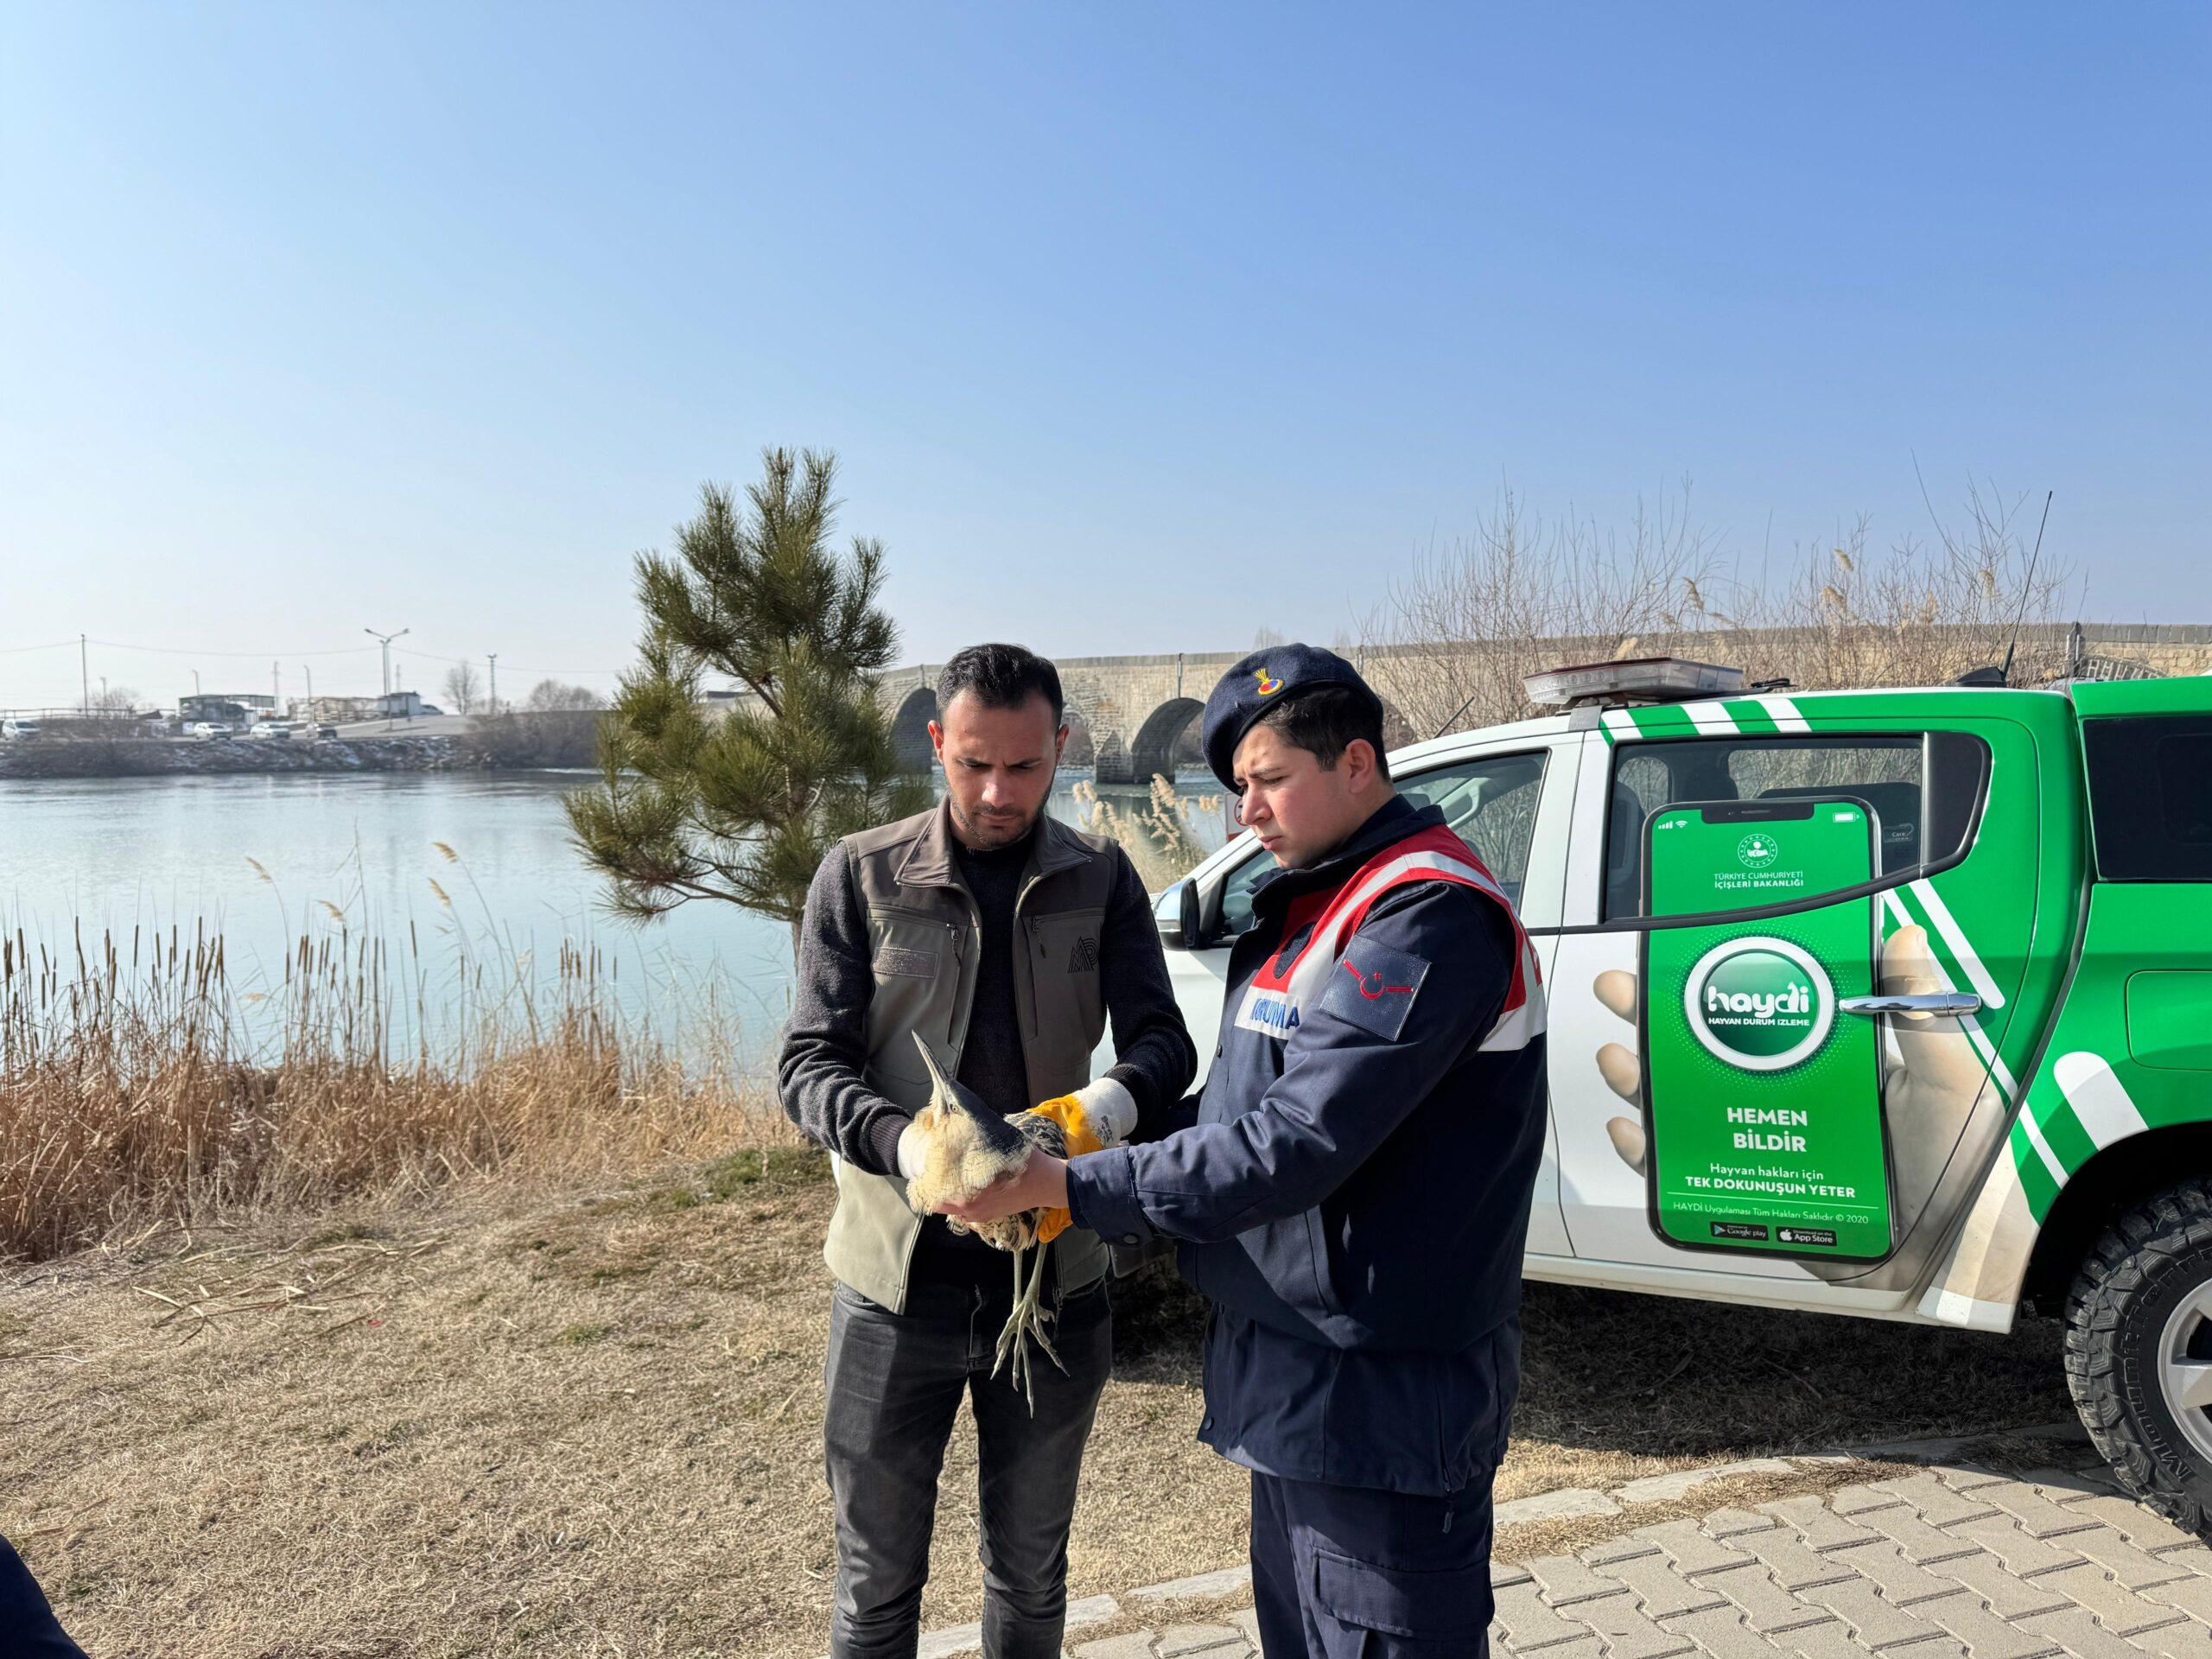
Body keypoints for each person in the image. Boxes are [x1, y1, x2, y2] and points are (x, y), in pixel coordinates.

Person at [938, 644, 1547, 1658]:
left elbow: (1296, 1145)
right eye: (1235, 789)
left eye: (1268, 781)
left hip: (1386, 1385)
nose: (1246, 814)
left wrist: (1073, 1189)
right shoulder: (1317, 898)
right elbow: (1239, 1107)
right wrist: (1098, 1126)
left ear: (1357, 765)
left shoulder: (1422, 914)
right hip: (1299, 1370)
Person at [779, 642, 1198, 1659]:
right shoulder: (860, 874)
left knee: (1030, 1573)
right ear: (937, 744)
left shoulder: (1102, 877)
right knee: (875, 1587)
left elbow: (1163, 1045)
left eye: (1023, 766)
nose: (998, 791)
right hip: (893, 1289)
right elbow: (806, 1065)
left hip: (1056, 1279)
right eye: (973, 764)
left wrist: (1094, 1111)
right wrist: (907, 1144)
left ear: (1060, 749)